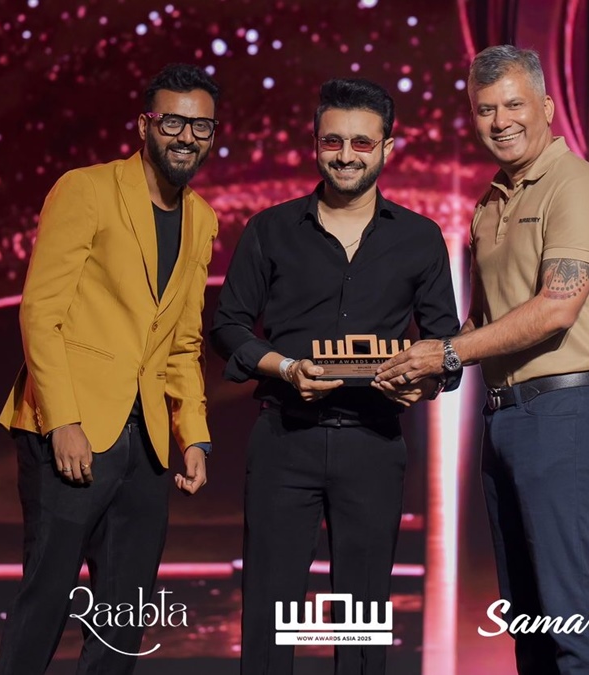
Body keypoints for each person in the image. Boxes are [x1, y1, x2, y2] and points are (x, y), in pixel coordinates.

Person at [376, 45, 589, 674]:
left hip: (567, 412)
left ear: (546, 106)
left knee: (569, 617)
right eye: (485, 109)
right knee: (529, 621)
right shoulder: (489, 204)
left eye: (514, 104)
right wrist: (426, 369)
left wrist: (447, 351)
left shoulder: (577, 185)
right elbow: (485, 324)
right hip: (505, 419)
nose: (501, 121)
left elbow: (556, 308)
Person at [211, 78, 461, 675]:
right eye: (333, 141)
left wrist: (421, 381)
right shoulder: (271, 229)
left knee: (362, 616)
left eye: (361, 143)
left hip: (374, 443)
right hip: (285, 438)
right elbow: (228, 326)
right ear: (315, 143)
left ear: (387, 147)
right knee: (270, 613)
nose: (346, 155)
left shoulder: (420, 238)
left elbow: (444, 346)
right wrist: (285, 367)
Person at [0, 63, 220, 674]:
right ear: (145, 126)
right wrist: (61, 421)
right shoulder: (87, 189)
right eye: (172, 122)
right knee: (47, 596)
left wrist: (193, 434)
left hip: (146, 441)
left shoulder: (202, 219)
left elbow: (183, 341)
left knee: (125, 614)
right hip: (70, 426)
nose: (186, 136)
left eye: (201, 126)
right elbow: (41, 313)